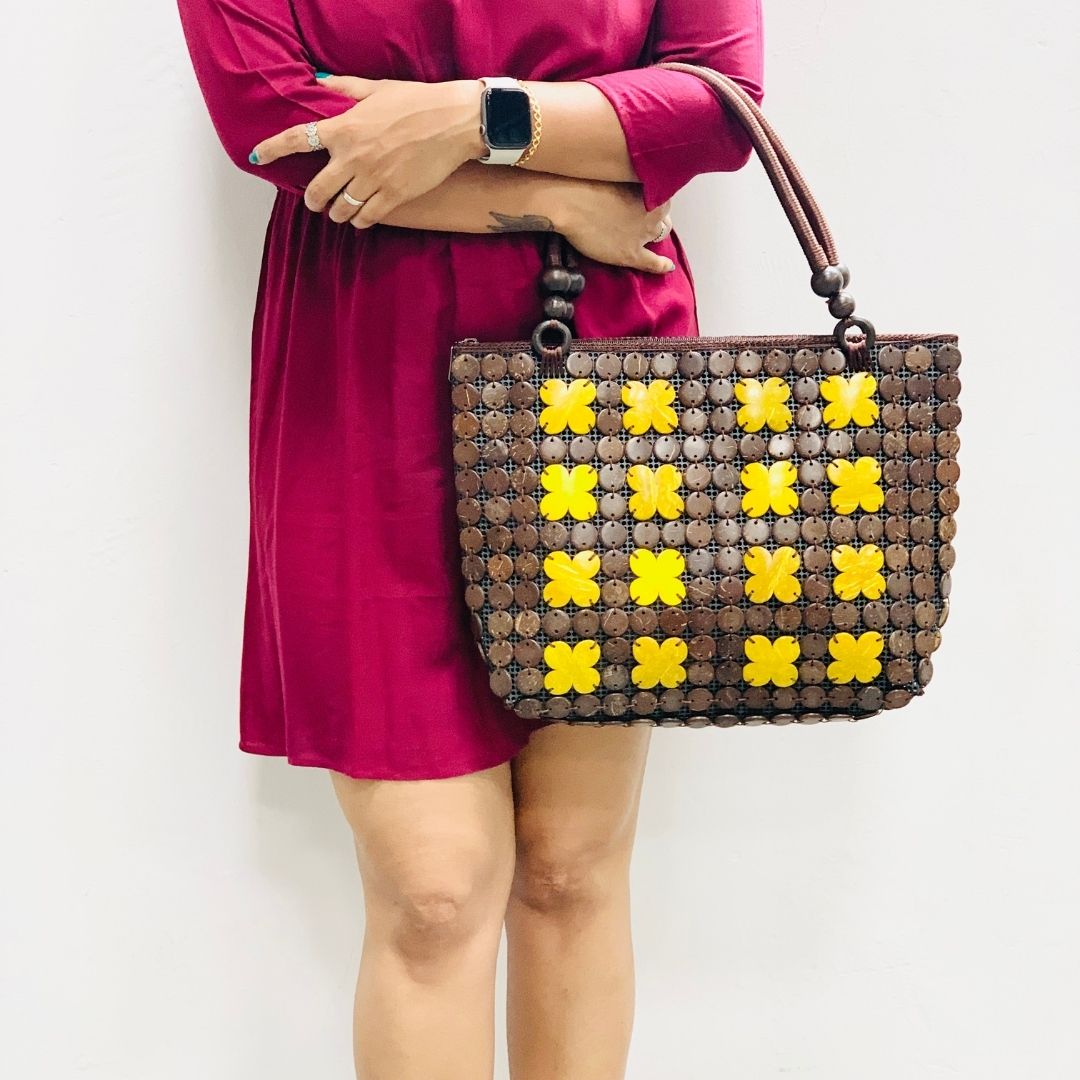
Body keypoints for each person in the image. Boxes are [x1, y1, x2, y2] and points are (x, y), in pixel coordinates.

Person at [175, 1, 764, 1075]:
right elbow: (270, 116)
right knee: (433, 892)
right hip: (364, 384)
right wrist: (550, 193)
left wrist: (477, 118)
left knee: (571, 865)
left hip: (605, 378)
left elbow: (716, 102)